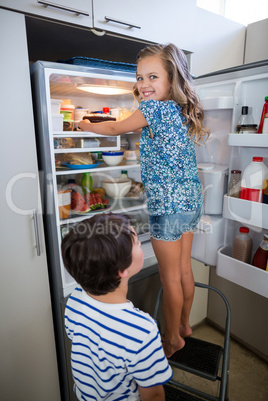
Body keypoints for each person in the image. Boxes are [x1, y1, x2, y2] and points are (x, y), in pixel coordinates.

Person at [78, 43, 209, 358]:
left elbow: (115, 127)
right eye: (139, 77)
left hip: (167, 205)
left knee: (170, 277)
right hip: (191, 199)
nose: (144, 84)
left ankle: (173, 338)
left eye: (153, 76)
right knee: (184, 269)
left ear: (171, 79)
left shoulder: (153, 109)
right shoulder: (179, 110)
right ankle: (186, 325)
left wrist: (84, 125)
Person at [62, 213, 172, 401]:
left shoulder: (75, 301)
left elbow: (86, 352)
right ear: (122, 270)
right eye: (137, 242)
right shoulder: (142, 330)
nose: (139, 244)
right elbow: (153, 395)